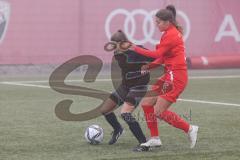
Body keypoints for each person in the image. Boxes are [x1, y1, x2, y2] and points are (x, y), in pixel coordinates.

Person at [129, 5, 199, 149]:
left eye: (158, 22)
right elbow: (163, 58)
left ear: (167, 22)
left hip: (176, 78)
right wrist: (149, 67)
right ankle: (155, 138)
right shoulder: (168, 33)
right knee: (147, 103)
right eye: (156, 22)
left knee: (159, 112)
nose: (156, 25)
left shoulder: (171, 35)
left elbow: (157, 54)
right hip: (170, 75)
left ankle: (190, 128)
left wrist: (135, 48)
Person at [100, 30, 156, 152]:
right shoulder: (117, 53)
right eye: (113, 45)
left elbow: (156, 57)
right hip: (125, 86)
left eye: (116, 44)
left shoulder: (137, 50)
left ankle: (144, 143)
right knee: (104, 110)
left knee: (125, 113)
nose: (114, 48)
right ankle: (118, 129)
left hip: (139, 87)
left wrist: (148, 67)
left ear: (124, 42)